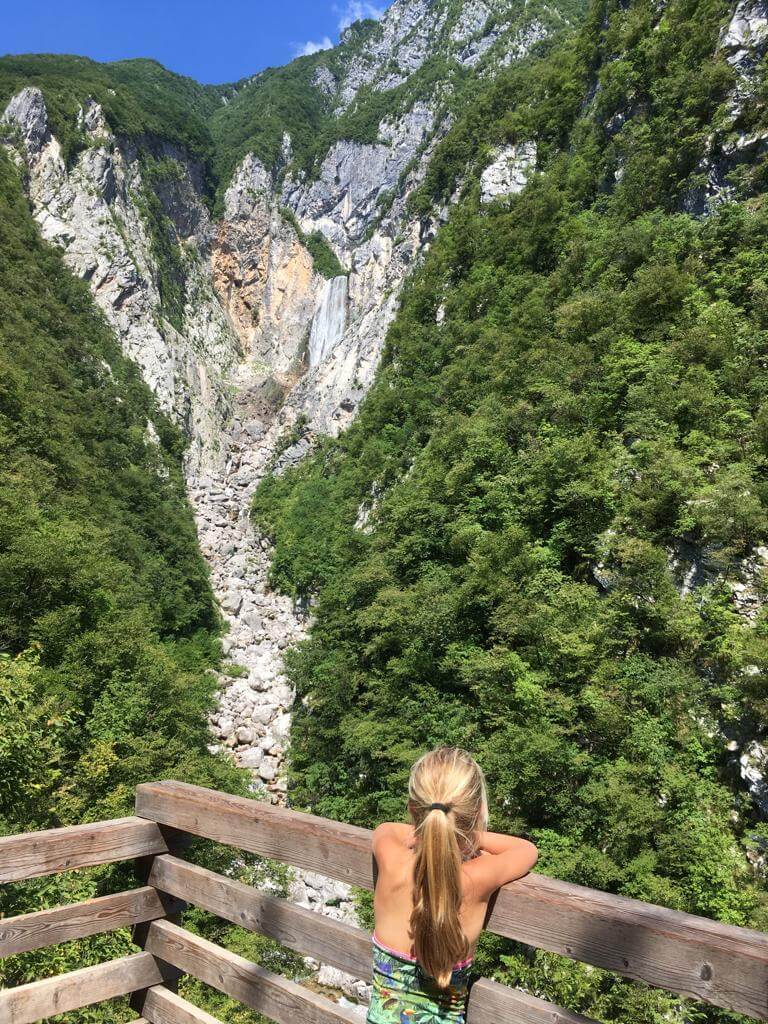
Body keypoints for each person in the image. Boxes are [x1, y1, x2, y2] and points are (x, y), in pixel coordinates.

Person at [368, 746, 538, 1023]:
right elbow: (526, 850)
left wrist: (430, 829)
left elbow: (385, 829)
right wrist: (469, 835)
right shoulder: (478, 877)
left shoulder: (392, 861)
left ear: (413, 809)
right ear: (477, 813)